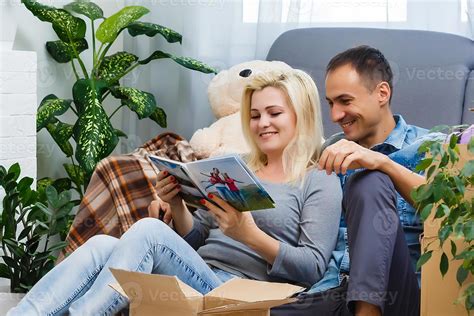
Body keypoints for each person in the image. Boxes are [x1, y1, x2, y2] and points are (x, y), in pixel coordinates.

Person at [8, 69, 342, 315]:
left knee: (149, 232)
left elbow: (312, 268)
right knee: (101, 245)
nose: (261, 123)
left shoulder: (319, 178)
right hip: (198, 271)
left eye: (274, 113)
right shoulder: (237, 166)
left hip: (238, 293)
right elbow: (196, 238)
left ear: (302, 114)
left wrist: (250, 235)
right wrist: (176, 204)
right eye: (254, 115)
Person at [319, 45, 443, 316]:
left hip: (397, 297)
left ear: (382, 93)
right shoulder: (332, 149)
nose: (335, 116)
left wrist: (384, 163)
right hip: (332, 292)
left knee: (370, 180)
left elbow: (449, 212)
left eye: (345, 101)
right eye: (330, 103)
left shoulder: (432, 148)